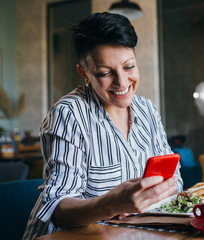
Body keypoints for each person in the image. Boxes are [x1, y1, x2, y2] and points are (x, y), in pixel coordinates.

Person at [23, 12, 183, 240]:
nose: (122, 82)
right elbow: (57, 209)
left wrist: (163, 190)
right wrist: (111, 204)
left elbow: (174, 177)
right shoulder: (69, 114)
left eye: (129, 67)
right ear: (84, 73)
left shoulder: (147, 110)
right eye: (105, 73)